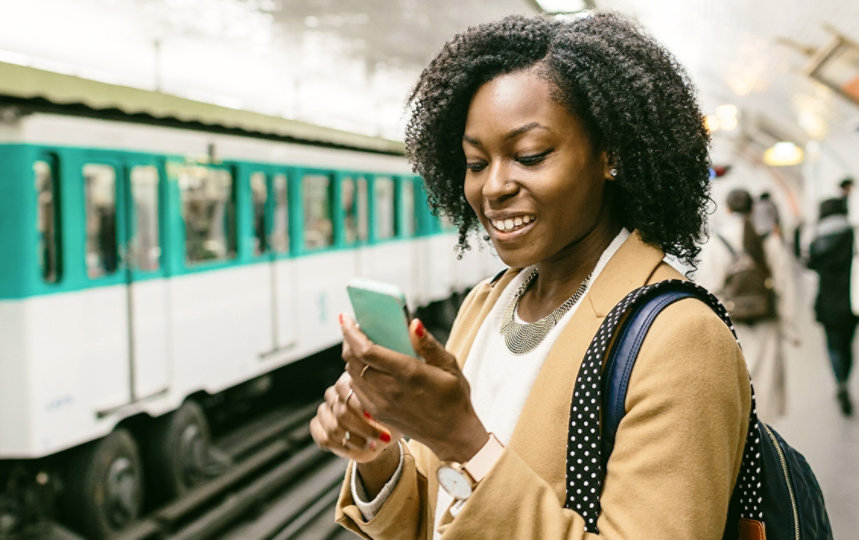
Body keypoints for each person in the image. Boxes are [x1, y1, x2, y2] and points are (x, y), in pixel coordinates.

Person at [310, 13, 751, 539]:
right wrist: (378, 456)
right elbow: (439, 523)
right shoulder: (485, 305)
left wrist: (461, 440)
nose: (493, 187)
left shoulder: (678, 338)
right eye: (476, 163)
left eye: (529, 156)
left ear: (611, 154)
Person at [697, 188, 798, 422]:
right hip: (766, 320)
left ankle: (744, 437)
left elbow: (708, 288)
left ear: (729, 208)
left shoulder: (717, 241)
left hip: (732, 323)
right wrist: (789, 326)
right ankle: (765, 441)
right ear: (752, 209)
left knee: (738, 381)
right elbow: (783, 284)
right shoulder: (767, 239)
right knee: (764, 382)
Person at [808, 197, 856, 416]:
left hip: (827, 302)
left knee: (832, 345)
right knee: (847, 345)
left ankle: (840, 383)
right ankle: (845, 378)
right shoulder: (852, 235)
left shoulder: (818, 239)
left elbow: (808, 263)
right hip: (850, 301)